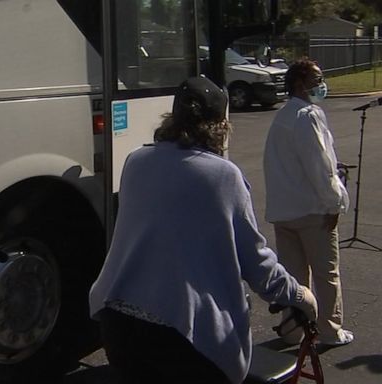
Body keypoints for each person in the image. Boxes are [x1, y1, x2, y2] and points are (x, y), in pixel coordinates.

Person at [89, 76, 318, 384]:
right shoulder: (223, 176)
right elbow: (256, 262)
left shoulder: (136, 160)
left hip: (119, 326)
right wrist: (298, 294)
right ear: (220, 124)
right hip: (185, 334)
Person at [263, 59, 353, 346]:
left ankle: (293, 330)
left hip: (284, 211)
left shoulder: (282, 117)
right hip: (311, 210)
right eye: (317, 79)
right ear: (300, 84)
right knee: (326, 274)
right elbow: (321, 167)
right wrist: (334, 203)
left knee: (294, 277)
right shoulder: (308, 115)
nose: (321, 84)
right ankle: (329, 330)